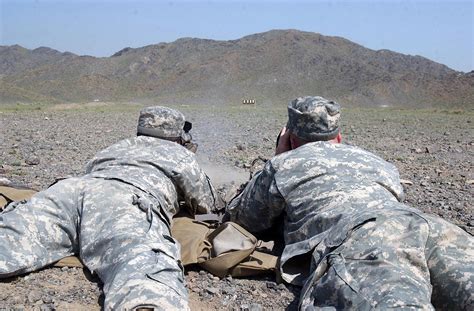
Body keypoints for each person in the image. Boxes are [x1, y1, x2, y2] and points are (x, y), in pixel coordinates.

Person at [226, 96, 474, 310]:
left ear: (290, 138)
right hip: (431, 228)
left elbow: (245, 219)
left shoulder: (284, 164)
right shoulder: (375, 161)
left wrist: (280, 156)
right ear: (339, 137)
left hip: (362, 240)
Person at [0, 106, 223, 310]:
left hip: (70, 190)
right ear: (177, 135)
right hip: (122, 201)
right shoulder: (181, 155)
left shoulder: (117, 146)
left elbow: (91, 171)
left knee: (11, 237)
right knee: (143, 273)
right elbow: (206, 204)